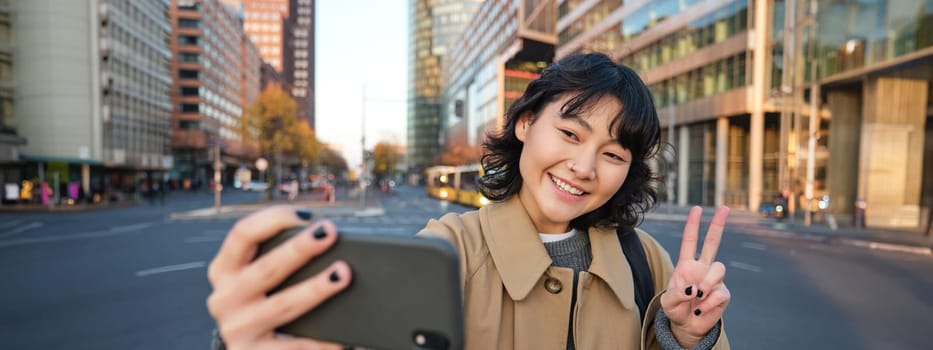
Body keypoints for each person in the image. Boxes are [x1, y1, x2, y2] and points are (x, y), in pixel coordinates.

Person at [206, 52, 732, 349]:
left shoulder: (651, 263)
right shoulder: (446, 253)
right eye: (570, 135)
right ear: (526, 123)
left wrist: (687, 339)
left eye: (613, 154)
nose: (585, 167)